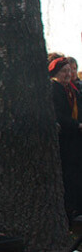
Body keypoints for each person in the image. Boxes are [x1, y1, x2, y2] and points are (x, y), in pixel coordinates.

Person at [49, 57, 82, 225]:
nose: (68, 74)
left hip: (76, 140)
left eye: (69, 71)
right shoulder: (54, 89)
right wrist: (77, 125)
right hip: (65, 140)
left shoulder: (73, 89)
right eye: (64, 71)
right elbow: (59, 115)